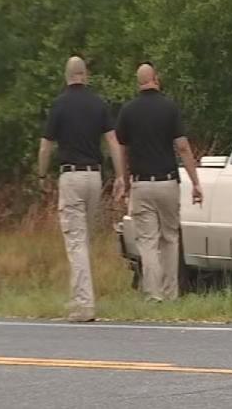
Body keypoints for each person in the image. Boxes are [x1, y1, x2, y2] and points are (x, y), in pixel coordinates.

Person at [38, 56, 125, 322]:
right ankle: (78, 297)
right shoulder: (98, 103)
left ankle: (84, 304)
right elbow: (112, 141)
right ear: (85, 75)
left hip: (71, 177)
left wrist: (42, 175)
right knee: (83, 238)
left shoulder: (60, 105)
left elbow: (45, 145)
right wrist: (121, 176)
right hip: (94, 178)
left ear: (67, 76)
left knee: (75, 240)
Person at [115, 62, 202, 303]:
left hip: (141, 184)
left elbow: (122, 150)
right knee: (170, 238)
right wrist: (195, 182)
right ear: (156, 79)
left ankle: (153, 296)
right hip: (167, 182)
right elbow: (183, 147)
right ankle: (171, 293)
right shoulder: (169, 108)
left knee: (147, 242)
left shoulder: (128, 111)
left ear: (139, 82)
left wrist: (124, 179)